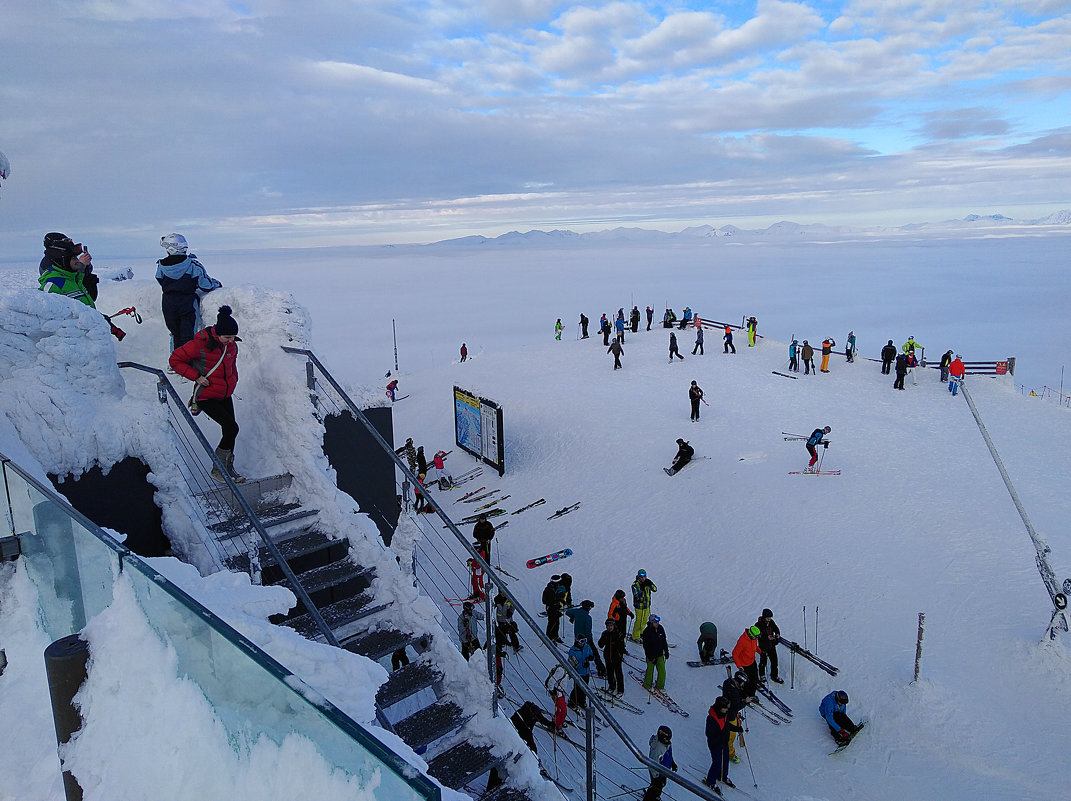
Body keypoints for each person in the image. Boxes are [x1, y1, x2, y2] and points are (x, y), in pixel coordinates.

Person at [170, 306, 245, 483]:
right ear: (217, 334)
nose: (231, 340)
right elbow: (175, 360)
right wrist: (196, 377)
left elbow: (231, 366)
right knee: (232, 427)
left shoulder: (231, 345)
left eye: (233, 337)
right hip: (206, 395)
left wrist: (234, 379)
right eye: (227, 337)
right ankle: (218, 469)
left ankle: (227, 468)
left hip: (224, 393)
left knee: (230, 430)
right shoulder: (199, 344)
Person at [156, 233, 222, 352]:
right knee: (188, 334)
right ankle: (187, 363)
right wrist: (216, 283)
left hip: (168, 302)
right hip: (187, 302)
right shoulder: (192, 264)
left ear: (170, 249)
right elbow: (205, 285)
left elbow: (160, 279)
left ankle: (174, 362)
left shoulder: (161, 265)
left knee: (175, 333)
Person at [38, 234, 97, 308]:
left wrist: (97, 317)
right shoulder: (53, 285)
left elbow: (87, 303)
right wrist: (81, 266)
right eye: (73, 258)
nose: (77, 260)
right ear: (63, 260)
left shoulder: (74, 279)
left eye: (76, 257)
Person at [704, 696, 743, 793]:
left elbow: (727, 726)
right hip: (716, 745)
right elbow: (709, 734)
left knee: (725, 760)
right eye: (725, 708)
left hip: (724, 743)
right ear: (719, 707)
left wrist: (736, 728)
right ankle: (710, 781)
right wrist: (718, 741)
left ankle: (723, 777)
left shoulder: (724, 714)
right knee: (717, 762)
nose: (726, 710)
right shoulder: (711, 718)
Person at [567, 600, 605, 676]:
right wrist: (590, 641)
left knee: (578, 653)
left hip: (577, 639)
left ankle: (576, 668)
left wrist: (572, 617)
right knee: (595, 654)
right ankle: (601, 670)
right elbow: (588, 631)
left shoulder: (577, 612)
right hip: (586, 640)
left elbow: (568, 612)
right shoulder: (588, 618)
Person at [720, 671, 748, 764]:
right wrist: (745, 701)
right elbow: (737, 706)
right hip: (731, 715)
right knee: (731, 737)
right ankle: (730, 754)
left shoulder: (727, 682)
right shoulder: (735, 692)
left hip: (724, 710)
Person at [643, 725, 677, 801]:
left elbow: (668, 753)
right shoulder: (658, 748)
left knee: (661, 785)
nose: (668, 741)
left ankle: (655, 796)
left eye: (669, 739)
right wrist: (656, 776)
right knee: (656, 786)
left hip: (663, 770)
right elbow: (653, 763)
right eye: (667, 739)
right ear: (662, 737)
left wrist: (672, 763)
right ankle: (650, 798)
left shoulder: (666, 743)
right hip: (657, 772)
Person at [732, 626, 762, 700]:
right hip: (744, 665)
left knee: (754, 679)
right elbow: (735, 654)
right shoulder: (742, 641)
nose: (757, 638)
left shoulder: (754, 639)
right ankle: (745, 696)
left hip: (752, 662)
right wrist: (739, 666)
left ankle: (752, 694)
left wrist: (761, 652)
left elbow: (755, 646)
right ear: (751, 635)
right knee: (746, 682)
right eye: (756, 636)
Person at [640, 614, 669, 691]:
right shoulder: (647, 632)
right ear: (651, 622)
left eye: (658, 622)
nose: (657, 623)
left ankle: (660, 686)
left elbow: (664, 641)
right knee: (650, 670)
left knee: (662, 671)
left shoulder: (660, 628)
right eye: (655, 622)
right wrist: (651, 657)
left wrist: (666, 651)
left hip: (660, 654)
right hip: (651, 655)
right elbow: (646, 647)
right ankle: (647, 684)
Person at [598, 617, 626, 695]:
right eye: (608, 626)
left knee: (618, 673)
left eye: (611, 626)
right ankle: (611, 686)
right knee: (610, 672)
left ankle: (620, 689)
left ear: (614, 626)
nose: (609, 627)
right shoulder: (605, 634)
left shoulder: (618, 633)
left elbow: (622, 646)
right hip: (608, 656)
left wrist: (620, 655)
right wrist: (603, 639)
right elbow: (600, 645)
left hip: (616, 656)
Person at [566, 635, 596, 708]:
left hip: (586, 672)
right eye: (581, 641)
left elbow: (592, 655)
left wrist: (591, 658)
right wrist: (580, 666)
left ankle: (582, 701)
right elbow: (571, 662)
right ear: (577, 641)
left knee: (585, 687)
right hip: (578, 673)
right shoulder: (573, 651)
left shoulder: (587, 647)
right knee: (577, 688)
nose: (583, 643)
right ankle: (572, 701)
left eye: (584, 641)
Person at [756, 608, 783, 683]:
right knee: (763, 662)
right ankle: (762, 675)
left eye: (770, 618)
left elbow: (776, 628)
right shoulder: (758, 624)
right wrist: (766, 637)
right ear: (764, 617)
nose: (769, 619)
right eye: (768, 618)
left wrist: (777, 633)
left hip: (772, 645)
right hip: (763, 646)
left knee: (774, 661)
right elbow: (758, 635)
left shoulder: (771, 622)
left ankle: (774, 676)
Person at [631, 569, 657, 640]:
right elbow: (636, 595)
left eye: (644, 576)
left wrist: (650, 584)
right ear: (638, 577)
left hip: (647, 606)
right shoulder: (635, 584)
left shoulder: (647, 582)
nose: (643, 578)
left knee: (645, 621)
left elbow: (655, 589)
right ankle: (635, 636)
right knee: (639, 621)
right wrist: (642, 589)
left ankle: (641, 633)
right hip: (639, 606)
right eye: (641, 577)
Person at [543, 574, 567, 643]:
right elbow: (544, 601)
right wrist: (556, 601)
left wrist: (562, 600)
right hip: (551, 608)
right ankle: (549, 638)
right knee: (552, 623)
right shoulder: (548, 590)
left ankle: (555, 636)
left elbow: (558, 597)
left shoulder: (556, 588)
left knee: (557, 623)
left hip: (556, 607)